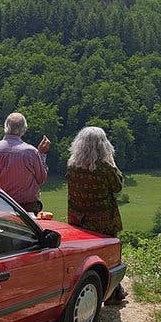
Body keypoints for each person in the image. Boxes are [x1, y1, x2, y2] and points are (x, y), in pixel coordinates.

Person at [66, 126, 127, 304]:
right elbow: (117, 187)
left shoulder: (72, 166)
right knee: (108, 255)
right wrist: (113, 164)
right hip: (103, 221)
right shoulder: (104, 167)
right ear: (103, 145)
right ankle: (112, 293)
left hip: (78, 220)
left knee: (83, 258)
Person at [0, 112, 50, 213]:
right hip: (28, 209)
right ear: (24, 129)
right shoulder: (31, 152)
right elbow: (41, 179)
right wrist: (41, 154)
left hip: (2, 207)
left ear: (5, 127)